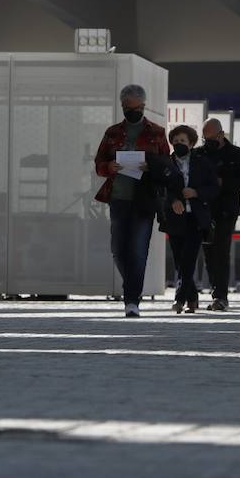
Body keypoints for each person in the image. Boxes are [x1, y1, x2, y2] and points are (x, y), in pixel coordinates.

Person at [93, 85, 170, 318]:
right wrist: (109, 167)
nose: (134, 111)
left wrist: (151, 166)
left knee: (137, 250)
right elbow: (98, 162)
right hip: (118, 197)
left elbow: (167, 164)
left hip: (144, 199)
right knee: (118, 249)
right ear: (123, 107)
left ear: (144, 106)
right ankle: (132, 287)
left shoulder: (156, 132)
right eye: (129, 108)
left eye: (138, 108)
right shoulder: (113, 132)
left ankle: (132, 300)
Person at [159, 125, 219, 314]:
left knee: (188, 260)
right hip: (175, 218)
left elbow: (213, 189)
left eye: (183, 141)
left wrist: (196, 193)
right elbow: (161, 189)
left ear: (191, 143)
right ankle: (192, 298)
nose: (179, 144)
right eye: (176, 142)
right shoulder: (167, 163)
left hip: (196, 218)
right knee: (179, 260)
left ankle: (180, 299)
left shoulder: (202, 162)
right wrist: (174, 200)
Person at [198, 118, 240, 311]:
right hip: (204, 209)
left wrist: (224, 182)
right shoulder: (199, 154)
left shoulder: (237, 155)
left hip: (226, 210)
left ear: (222, 134)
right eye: (206, 138)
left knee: (221, 251)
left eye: (213, 137)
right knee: (208, 252)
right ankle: (216, 290)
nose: (209, 141)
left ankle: (220, 295)